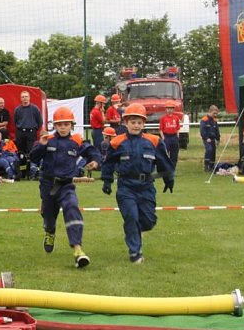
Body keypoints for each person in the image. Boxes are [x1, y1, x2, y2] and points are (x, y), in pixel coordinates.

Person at [101, 103, 175, 264]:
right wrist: (107, 181)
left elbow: (164, 162)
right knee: (131, 217)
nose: (136, 125)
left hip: (147, 187)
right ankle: (135, 253)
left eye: (139, 122)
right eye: (132, 122)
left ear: (144, 124)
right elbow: (108, 163)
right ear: (125, 123)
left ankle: (133, 231)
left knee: (148, 221)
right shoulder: (117, 142)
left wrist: (169, 179)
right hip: (126, 186)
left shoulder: (154, 141)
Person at [30, 108, 101, 268]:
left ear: (72, 125)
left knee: (72, 207)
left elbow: (93, 152)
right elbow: (33, 158)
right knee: (49, 215)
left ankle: (77, 250)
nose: (63, 127)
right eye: (59, 124)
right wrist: (41, 146)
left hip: (67, 185)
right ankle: (50, 231)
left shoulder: (76, 141)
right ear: (55, 125)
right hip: (48, 184)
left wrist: (95, 162)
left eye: (66, 124)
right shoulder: (47, 139)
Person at [13, 90, 43, 180]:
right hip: (20, 132)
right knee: (21, 154)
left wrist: (33, 129)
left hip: (31, 132)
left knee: (31, 153)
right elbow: (15, 121)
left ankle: (32, 173)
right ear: (20, 98)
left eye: (26, 96)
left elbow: (40, 122)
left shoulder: (35, 109)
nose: (24, 98)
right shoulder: (17, 110)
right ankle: (22, 173)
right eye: (23, 97)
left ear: (29, 98)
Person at [159, 100, 182, 168]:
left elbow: (178, 128)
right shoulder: (163, 118)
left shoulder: (176, 118)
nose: (170, 110)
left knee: (174, 154)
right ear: (166, 109)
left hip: (174, 137)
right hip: (167, 137)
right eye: (168, 108)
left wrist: (177, 136)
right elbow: (160, 129)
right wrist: (163, 137)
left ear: (173, 109)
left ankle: (173, 168)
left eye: (171, 108)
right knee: (165, 153)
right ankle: (166, 168)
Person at [200, 104, 221, 173]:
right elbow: (202, 130)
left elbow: (217, 130)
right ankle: (206, 166)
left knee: (213, 152)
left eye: (216, 113)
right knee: (209, 149)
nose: (215, 115)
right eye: (214, 113)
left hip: (213, 139)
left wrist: (218, 139)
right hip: (206, 138)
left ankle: (212, 166)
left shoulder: (215, 120)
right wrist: (206, 138)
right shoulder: (204, 120)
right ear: (210, 111)